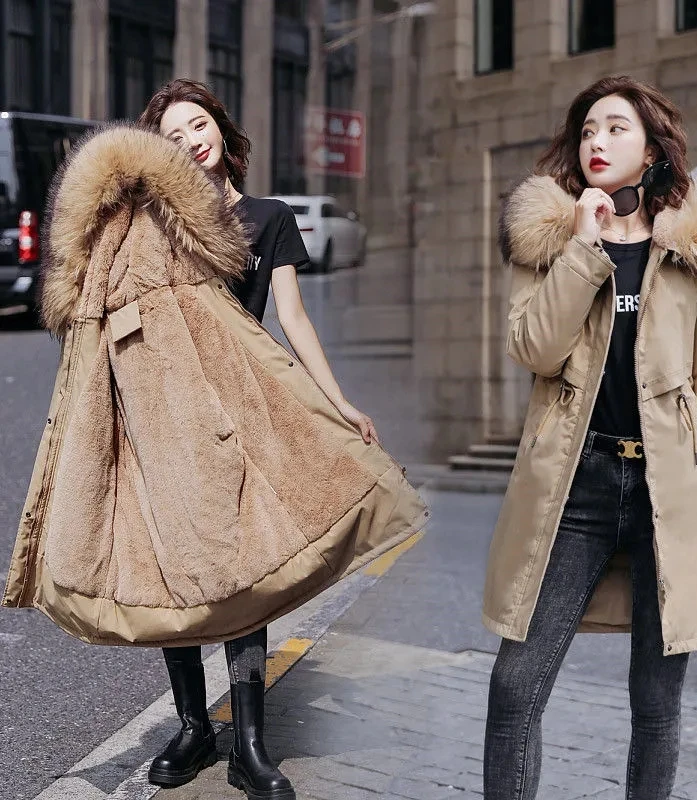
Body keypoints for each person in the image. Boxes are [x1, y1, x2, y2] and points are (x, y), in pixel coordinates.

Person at [482, 75, 697, 800]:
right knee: (515, 687)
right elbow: (533, 348)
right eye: (587, 130)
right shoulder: (546, 239)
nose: (597, 142)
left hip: (670, 493)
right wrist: (583, 250)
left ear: (651, 151)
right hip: (572, 490)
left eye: (616, 128)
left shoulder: (695, 250)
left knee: (656, 704)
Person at [135, 79, 382, 799]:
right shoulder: (156, 225)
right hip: (171, 413)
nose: (191, 139)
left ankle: (248, 742)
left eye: (199, 123)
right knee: (178, 575)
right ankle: (191, 726)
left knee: (247, 574)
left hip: (246, 411)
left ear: (222, 129)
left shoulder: (271, 218)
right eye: (173, 136)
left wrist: (338, 402)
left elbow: (294, 320)